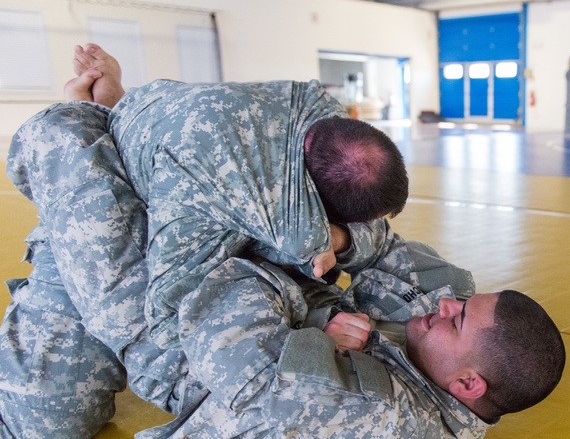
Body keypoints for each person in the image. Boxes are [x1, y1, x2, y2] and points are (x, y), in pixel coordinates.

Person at [0, 61, 566, 439]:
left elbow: (223, 331)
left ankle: (83, 122)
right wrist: (334, 243)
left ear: (467, 386)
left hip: (172, 336)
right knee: (277, 200)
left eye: (458, 318)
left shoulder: (377, 434)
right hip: (265, 279)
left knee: (32, 437)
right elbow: (385, 246)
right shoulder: (448, 340)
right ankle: (141, 137)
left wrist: (301, 289)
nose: (448, 305)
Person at [71, 44, 409, 352]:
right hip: (132, 158)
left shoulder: (320, 111)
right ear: (315, 207)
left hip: (157, 103)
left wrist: (334, 238)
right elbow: (167, 320)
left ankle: (113, 101)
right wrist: (309, 333)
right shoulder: (201, 195)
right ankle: (85, 111)